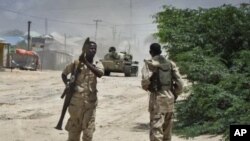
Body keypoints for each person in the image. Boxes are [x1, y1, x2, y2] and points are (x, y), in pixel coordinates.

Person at [61, 39, 104, 141]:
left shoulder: (98, 64)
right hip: (75, 105)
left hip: (90, 105)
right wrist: (67, 83)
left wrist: (86, 63)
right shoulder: (76, 63)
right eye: (90, 48)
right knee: (73, 135)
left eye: (95, 49)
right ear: (85, 49)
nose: (93, 50)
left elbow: (100, 73)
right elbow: (64, 74)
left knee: (88, 135)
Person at [141, 43, 183, 141]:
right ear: (160, 51)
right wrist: (175, 94)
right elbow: (180, 83)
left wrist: (148, 87)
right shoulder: (170, 63)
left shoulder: (150, 64)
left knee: (156, 128)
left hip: (157, 98)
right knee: (167, 129)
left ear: (151, 52)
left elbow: (145, 82)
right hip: (170, 97)